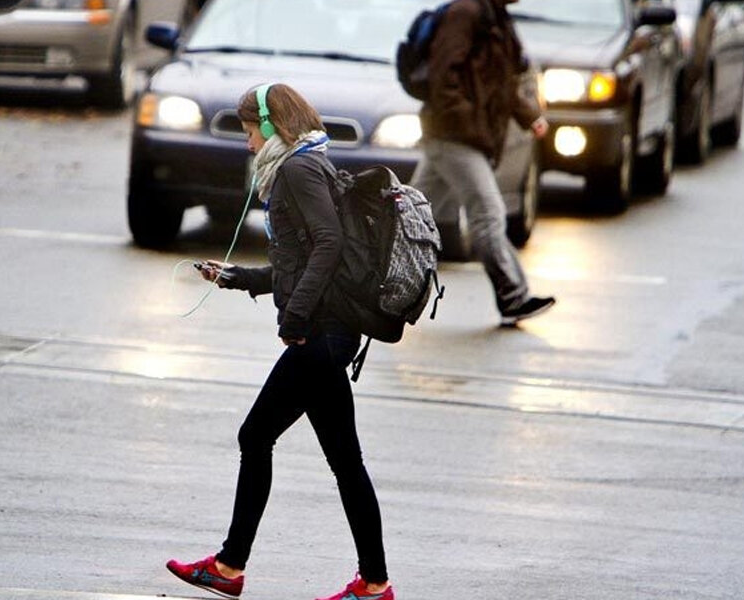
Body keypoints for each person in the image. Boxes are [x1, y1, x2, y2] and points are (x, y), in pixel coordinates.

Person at [165, 83, 394, 600]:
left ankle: (228, 567)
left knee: (255, 437)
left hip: (320, 334)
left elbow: (329, 243)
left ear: (271, 125)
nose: (247, 144)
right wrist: (236, 278)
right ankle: (374, 584)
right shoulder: (309, 162)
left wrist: (295, 317)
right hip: (330, 331)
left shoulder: (296, 169)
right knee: (345, 460)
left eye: (250, 130)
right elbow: (299, 260)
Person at [410, 0, 555, 326]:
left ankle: (366, 280)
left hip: (460, 135)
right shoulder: (466, 13)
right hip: (455, 137)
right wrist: (462, 119)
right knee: (488, 214)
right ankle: (513, 297)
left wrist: (529, 116)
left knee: (410, 216)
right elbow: (442, 73)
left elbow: (500, 84)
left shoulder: (494, 16)